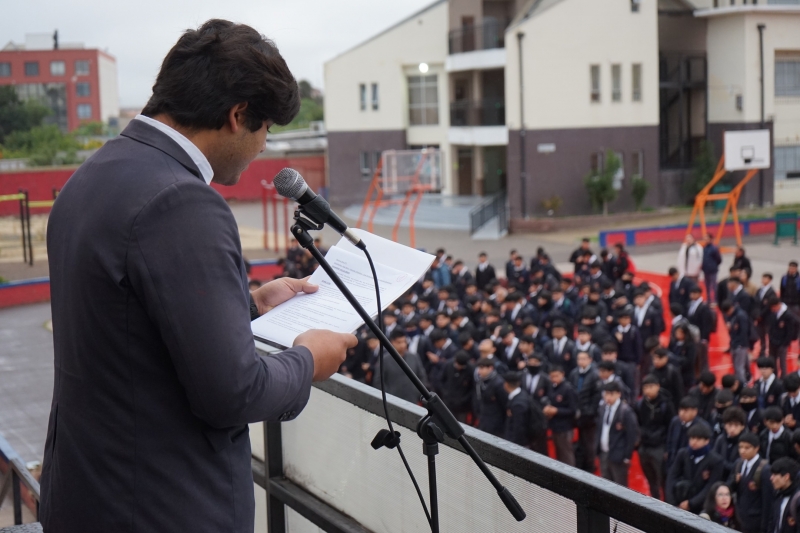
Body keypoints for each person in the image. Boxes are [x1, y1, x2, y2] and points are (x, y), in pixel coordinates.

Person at [39, 20, 359, 532]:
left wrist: (246, 306)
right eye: (266, 129)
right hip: (161, 509)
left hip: (87, 495)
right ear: (237, 116)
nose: (264, 146)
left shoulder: (93, 174)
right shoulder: (182, 201)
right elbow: (232, 393)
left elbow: (126, 327)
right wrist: (307, 361)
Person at [666, 423, 724, 513]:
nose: (694, 442)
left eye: (698, 439)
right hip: (678, 501)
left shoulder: (716, 461)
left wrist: (691, 503)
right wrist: (672, 501)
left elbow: (710, 487)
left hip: (700, 507)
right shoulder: (682, 454)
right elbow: (672, 476)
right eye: (692, 438)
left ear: (706, 441)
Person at [636, 374, 675, 500]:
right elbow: (638, 423)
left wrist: (668, 449)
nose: (648, 390)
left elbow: (671, 428)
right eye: (645, 387)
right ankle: (654, 501)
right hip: (644, 447)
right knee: (650, 479)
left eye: (651, 387)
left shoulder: (666, 404)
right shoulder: (640, 404)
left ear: (658, 386)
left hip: (659, 447)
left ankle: (667, 502)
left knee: (663, 479)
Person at [728, 431, 772, 533]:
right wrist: (734, 481)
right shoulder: (738, 464)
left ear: (756, 448)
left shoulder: (764, 469)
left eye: (747, 448)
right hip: (738, 517)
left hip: (755, 520)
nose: (742, 451)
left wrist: (764, 527)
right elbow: (729, 488)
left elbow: (767, 501)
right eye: (740, 447)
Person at [596, 381, 638, 488]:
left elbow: (631, 435)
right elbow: (600, 429)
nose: (608, 397)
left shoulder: (625, 411)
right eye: (606, 394)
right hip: (604, 453)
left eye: (611, 394)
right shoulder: (602, 408)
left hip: (618, 456)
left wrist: (627, 456)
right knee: (605, 486)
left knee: (620, 487)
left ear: (618, 394)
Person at [373, 329, 429, 404]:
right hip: (392, 400)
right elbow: (378, 381)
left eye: (404, 342)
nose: (403, 345)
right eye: (399, 342)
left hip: (412, 399)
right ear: (392, 342)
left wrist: (417, 392)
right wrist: (388, 395)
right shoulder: (384, 360)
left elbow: (422, 376)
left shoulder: (414, 357)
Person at [570, 351, 602, 473]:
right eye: (579, 359)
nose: (581, 361)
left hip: (589, 416)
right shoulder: (574, 373)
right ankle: (580, 463)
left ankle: (590, 465)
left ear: (590, 360)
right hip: (576, 413)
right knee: (579, 442)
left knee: (589, 442)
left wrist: (589, 411)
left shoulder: (595, 375)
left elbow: (596, 396)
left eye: (584, 359)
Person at [543, 365, 578, 466]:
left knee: (566, 454)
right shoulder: (552, 387)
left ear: (562, 374)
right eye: (552, 376)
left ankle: (570, 473)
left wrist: (557, 411)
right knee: (558, 454)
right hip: (554, 425)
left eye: (556, 376)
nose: (554, 379)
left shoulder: (568, 389)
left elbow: (573, 410)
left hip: (565, 427)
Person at [666, 397, 711, 472]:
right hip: (673, 462)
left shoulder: (703, 427)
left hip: (691, 466)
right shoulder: (675, 422)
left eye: (686, 411)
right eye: (681, 410)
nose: (682, 413)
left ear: (694, 412)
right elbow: (669, 441)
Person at [768, 294, 800, 378]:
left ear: (778, 305)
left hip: (783, 342)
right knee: (772, 361)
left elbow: (791, 330)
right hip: (773, 341)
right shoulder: (773, 313)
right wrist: (771, 338)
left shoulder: (788, 315)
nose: (772, 309)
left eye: (773, 307)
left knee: (782, 363)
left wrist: (786, 342)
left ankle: (783, 378)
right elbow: (771, 326)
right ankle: (774, 377)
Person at [720, 299, 752, 384]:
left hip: (740, 344)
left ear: (731, 308)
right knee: (744, 365)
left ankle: (742, 385)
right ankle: (748, 378)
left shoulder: (741, 316)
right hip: (735, 343)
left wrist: (740, 344)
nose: (727, 314)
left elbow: (744, 332)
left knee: (738, 367)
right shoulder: (733, 315)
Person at [439, 351, 475, 423]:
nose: (459, 368)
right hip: (448, 402)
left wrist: (465, 399)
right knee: (446, 422)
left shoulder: (470, 369)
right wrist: (445, 393)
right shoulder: (448, 365)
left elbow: (473, 387)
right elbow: (441, 380)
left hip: (462, 406)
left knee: (460, 424)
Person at [713, 406, 747, 481]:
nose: (732, 429)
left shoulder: (746, 442)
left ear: (742, 426)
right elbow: (714, 458)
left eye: (736, 425)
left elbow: (740, 464)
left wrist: (722, 464)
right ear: (725, 425)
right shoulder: (720, 439)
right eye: (730, 425)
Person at [475, 358, 507, 437]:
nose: (479, 371)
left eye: (482, 368)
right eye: (479, 368)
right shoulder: (480, 381)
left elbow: (504, 403)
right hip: (483, 417)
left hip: (495, 421)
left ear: (490, 368)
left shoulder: (499, 383)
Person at [769, 457, 800, 533]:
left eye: (775, 475)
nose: (771, 478)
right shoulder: (778, 494)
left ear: (786, 477)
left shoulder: (797, 499)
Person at [503, 371, 533, 447]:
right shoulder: (521, 394)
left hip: (518, 445)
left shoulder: (518, 404)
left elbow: (518, 428)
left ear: (506, 384)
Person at [702, 234, 723, 304]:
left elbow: (719, 259)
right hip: (706, 270)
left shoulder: (714, 248)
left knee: (714, 286)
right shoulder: (704, 248)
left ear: (711, 239)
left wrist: (713, 265)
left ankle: (716, 300)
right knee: (707, 286)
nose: (706, 240)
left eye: (707, 239)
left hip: (713, 270)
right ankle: (709, 300)